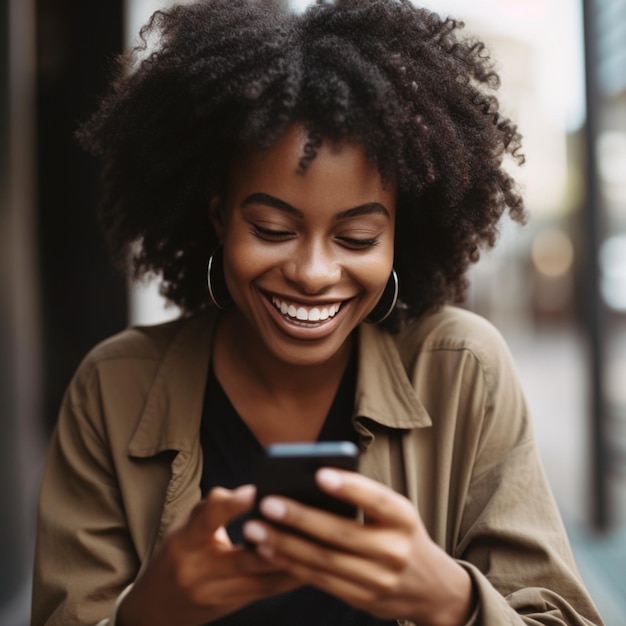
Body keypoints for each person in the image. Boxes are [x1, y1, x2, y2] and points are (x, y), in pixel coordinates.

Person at [31, 1, 604, 625]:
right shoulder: (112, 390)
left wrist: (453, 600)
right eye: (272, 228)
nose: (312, 273)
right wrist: (151, 611)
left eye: (356, 239)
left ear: (396, 239)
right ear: (220, 218)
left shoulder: (464, 372)